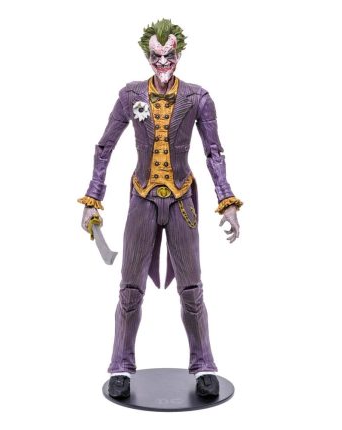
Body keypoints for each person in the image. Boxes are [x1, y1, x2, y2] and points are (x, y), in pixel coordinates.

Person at [78, 19, 242, 399]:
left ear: (179, 54)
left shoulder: (197, 98)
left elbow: (214, 152)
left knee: (192, 288)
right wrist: (93, 197)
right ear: (147, 55)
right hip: (143, 198)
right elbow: (105, 147)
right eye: (156, 56)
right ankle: (121, 365)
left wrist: (226, 201)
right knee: (130, 287)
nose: (163, 63)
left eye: (169, 56)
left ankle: (204, 364)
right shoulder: (130, 95)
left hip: (182, 201)